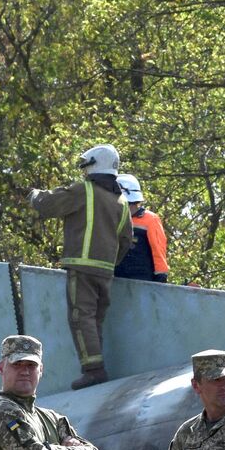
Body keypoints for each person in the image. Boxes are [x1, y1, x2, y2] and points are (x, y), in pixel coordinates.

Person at [30, 144, 133, 390]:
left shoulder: (83, 191)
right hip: (106, 271)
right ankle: (96, 367)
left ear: (94, 166)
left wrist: (34, 195)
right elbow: (126, 240)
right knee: (95, 319)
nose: (84, 173)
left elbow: (48, 204)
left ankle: (94, 370)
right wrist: (111, 263)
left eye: (85, 168)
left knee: (81, 317)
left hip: (82, 266)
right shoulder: (121, 201)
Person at [114, 174, 170, 283]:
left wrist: (161, 275)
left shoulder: (150, 219)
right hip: (116, 277)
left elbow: (158, 250)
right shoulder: (114, 219)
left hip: (142, 280)